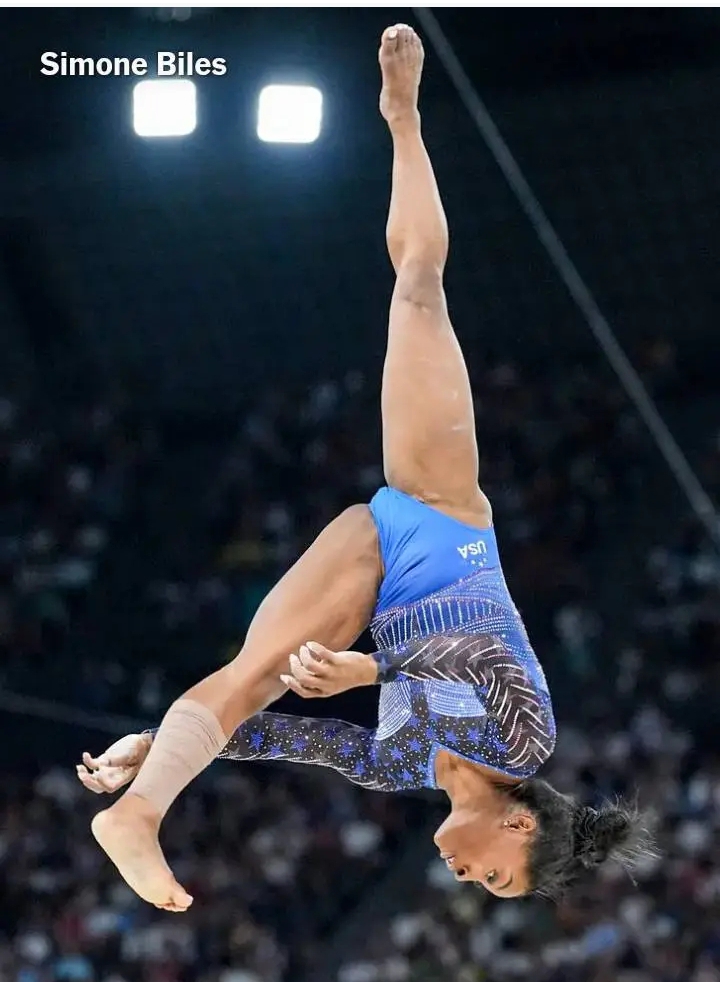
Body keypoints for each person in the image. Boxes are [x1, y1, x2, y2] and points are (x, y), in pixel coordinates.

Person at [79, 24, 652, 911]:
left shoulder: (401, 768)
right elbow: (480, 660)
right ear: (522, 826)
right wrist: (373, 675)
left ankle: (140, 811)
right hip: (441, 511)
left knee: (254, 679)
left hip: (370, 563)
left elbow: (286, 741)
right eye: (493, 877)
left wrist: (155, 744)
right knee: (419, 288)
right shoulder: (525, 742)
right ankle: (403, 118)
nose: (465, 878)